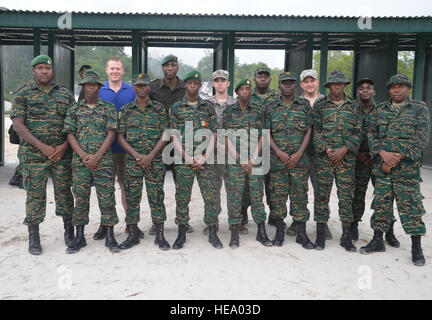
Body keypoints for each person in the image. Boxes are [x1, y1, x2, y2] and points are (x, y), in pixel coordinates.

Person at [361, 74, 430, 266]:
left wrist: (396, 157)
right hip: (383, 168)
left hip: (407, 170)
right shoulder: (380, 109)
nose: (396, 90)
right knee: (381, 204)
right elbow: (371, 134)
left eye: (401, 87)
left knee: (411, 207)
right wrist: (382, 154)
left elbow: (421, 137)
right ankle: (377, 240)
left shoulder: (419, 109)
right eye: (393, 87)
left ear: (408, 89)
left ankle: (416, 247)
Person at [11, 55, 75, 255]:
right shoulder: (24, 93)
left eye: (47, 68)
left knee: (64, 194)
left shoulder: (65, 94)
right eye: (40, 68)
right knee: (35, 196)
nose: (44, 71)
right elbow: (18, 125)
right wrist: (43, 147)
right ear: (34, 71)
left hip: (61, 155)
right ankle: (34, 237)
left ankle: (69, 232)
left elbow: (73, 124)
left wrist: (64, 146)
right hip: (34, 156)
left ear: (52, 70)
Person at [63, 70, 121, 254]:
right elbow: (70, 133)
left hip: (103, 161)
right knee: (80, 198)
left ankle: (110, 235)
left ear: (99, 87)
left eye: (94, 85)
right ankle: (80, 236)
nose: (91, 88)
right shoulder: (74, 109)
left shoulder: (108, 108)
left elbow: (111, 133)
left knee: (107, 196)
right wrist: (83, 155)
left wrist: (96, 156)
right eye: (88, 85)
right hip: (80, 162)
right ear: (83, 87)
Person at [117, 74, 170, 251]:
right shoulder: (126, 110)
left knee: (156, 196)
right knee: (132, 197)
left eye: (144, 86)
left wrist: (151, 155)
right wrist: (136, 155)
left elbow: (165, 134)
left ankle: (160, 233)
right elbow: (121, 137)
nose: (141, 88)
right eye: (138, 86)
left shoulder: (159, 109)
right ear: (134, 88)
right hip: (133, 161)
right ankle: (133, 233)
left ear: (149, 88)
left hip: (155, 160)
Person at [169, 70, 221, 249]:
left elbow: (214, 132)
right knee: (182, 196)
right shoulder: (176, 108)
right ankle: (181, 231)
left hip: (205, 160)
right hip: (184, 160)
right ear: (185, 85)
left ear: (199, 86)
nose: (192, 86)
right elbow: (173, 135)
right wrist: (187, 157)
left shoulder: (207, 107)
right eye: (189, 83)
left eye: (196, 83)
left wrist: (205, 156)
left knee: (211, 196)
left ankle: (212, 230)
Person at [312, 70, 361, 252]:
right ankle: (320, 235)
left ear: (345, 86)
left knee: (346, 198)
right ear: (329, 86)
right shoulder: (320, 105)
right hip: (325, 159)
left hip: (346, 161)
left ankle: (346, 236)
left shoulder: (353, 106)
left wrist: (344, 150)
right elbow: (315, 131)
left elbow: (358, 131)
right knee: (321, 196)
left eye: (340, 83)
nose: (337, 86)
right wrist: (327, 149)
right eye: (334, 84)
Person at [266, 72, 314, 249]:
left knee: (300, 196)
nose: (287, 85)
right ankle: (279, 231)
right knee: (278, 197)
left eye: (291, 83)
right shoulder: (271, 106)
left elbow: (309, 130)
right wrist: (279, 152)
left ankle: (301, 233)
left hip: (299, 162)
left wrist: (299, 153)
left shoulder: (304, 105)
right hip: (278, 162)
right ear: (279, 85)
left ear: (296, 86)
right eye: (284, 83)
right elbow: (266, 132)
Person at [96, 56, 141, 240]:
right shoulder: (99, 90)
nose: (115, 71)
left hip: (124, 148)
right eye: (112, 68)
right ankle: (104, 224)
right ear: (107, 70)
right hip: (103, 148)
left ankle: (131, 224)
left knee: (126, 187)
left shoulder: (131, 90)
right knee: (104, 188)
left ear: (123, 71)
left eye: (118, 69)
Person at [223, 78, 272, 249]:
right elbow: (225, 137)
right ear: (236, 92)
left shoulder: (258, 111)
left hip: (255, 161)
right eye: (241, 89)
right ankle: (235, 232)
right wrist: (239, 159)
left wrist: (252, 159)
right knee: (235, 197)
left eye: (247, 89)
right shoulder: (229, 112)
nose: (244, 91)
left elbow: (262, 136)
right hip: (235, 161)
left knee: (257, 195)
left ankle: (261, 231)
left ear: (251, 92)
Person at [352, 78, 399, 246]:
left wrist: (376, 156)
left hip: (378, 161)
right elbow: (346, 134)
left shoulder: (382, 110)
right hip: (358, 159)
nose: (365, 91)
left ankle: (389, 231)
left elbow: (387, 136)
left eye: (368, 88)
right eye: (362, 88)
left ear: (374, 91)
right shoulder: (352, 110)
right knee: (357, 195)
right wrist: (358, 155)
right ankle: (354, 226)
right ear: (358, 92)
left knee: (384, 197)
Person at [149, 54, 193, 235]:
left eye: (173, 65)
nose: (169, 68)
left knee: (182, 185)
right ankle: (157, 222)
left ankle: (183, 220)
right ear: (162, 68)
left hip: (180, 144)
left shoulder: (186, 88)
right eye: (166, 66)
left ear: (177, 67)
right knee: (156, 185)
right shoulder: (153, 88)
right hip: (158, 143)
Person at [286, 69, 331, 239]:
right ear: (301, 84)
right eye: (306, 81)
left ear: (317, 82)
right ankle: (297, 221)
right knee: (298, 189)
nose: (310, 84)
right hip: (300, 154)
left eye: (312, 81)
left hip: (321, 155)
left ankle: (322, 222)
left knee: (322, 190)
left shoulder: (326, 102)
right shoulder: (296, 103)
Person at [202, 69, 237, 235]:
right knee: (212, 190)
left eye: (223, 80)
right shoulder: (206, 103)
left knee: (233, 189)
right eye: (217, 81)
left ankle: (234, 221)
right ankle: (212, 221)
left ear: (228, 83)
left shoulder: (235, 104)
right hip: (212, 153)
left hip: (231, 153)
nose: (220, 83)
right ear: (213, 84)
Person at [245, 67, 280, 229]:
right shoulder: (247, 96)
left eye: (266, 76)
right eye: (259, 76)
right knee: (250, 185)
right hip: (253, 148)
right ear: (254, 79)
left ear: (270, 80)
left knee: (273, 185)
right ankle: (243, 214)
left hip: (275, 148)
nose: (263, 79)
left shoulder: (277, 97)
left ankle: (274, 215)